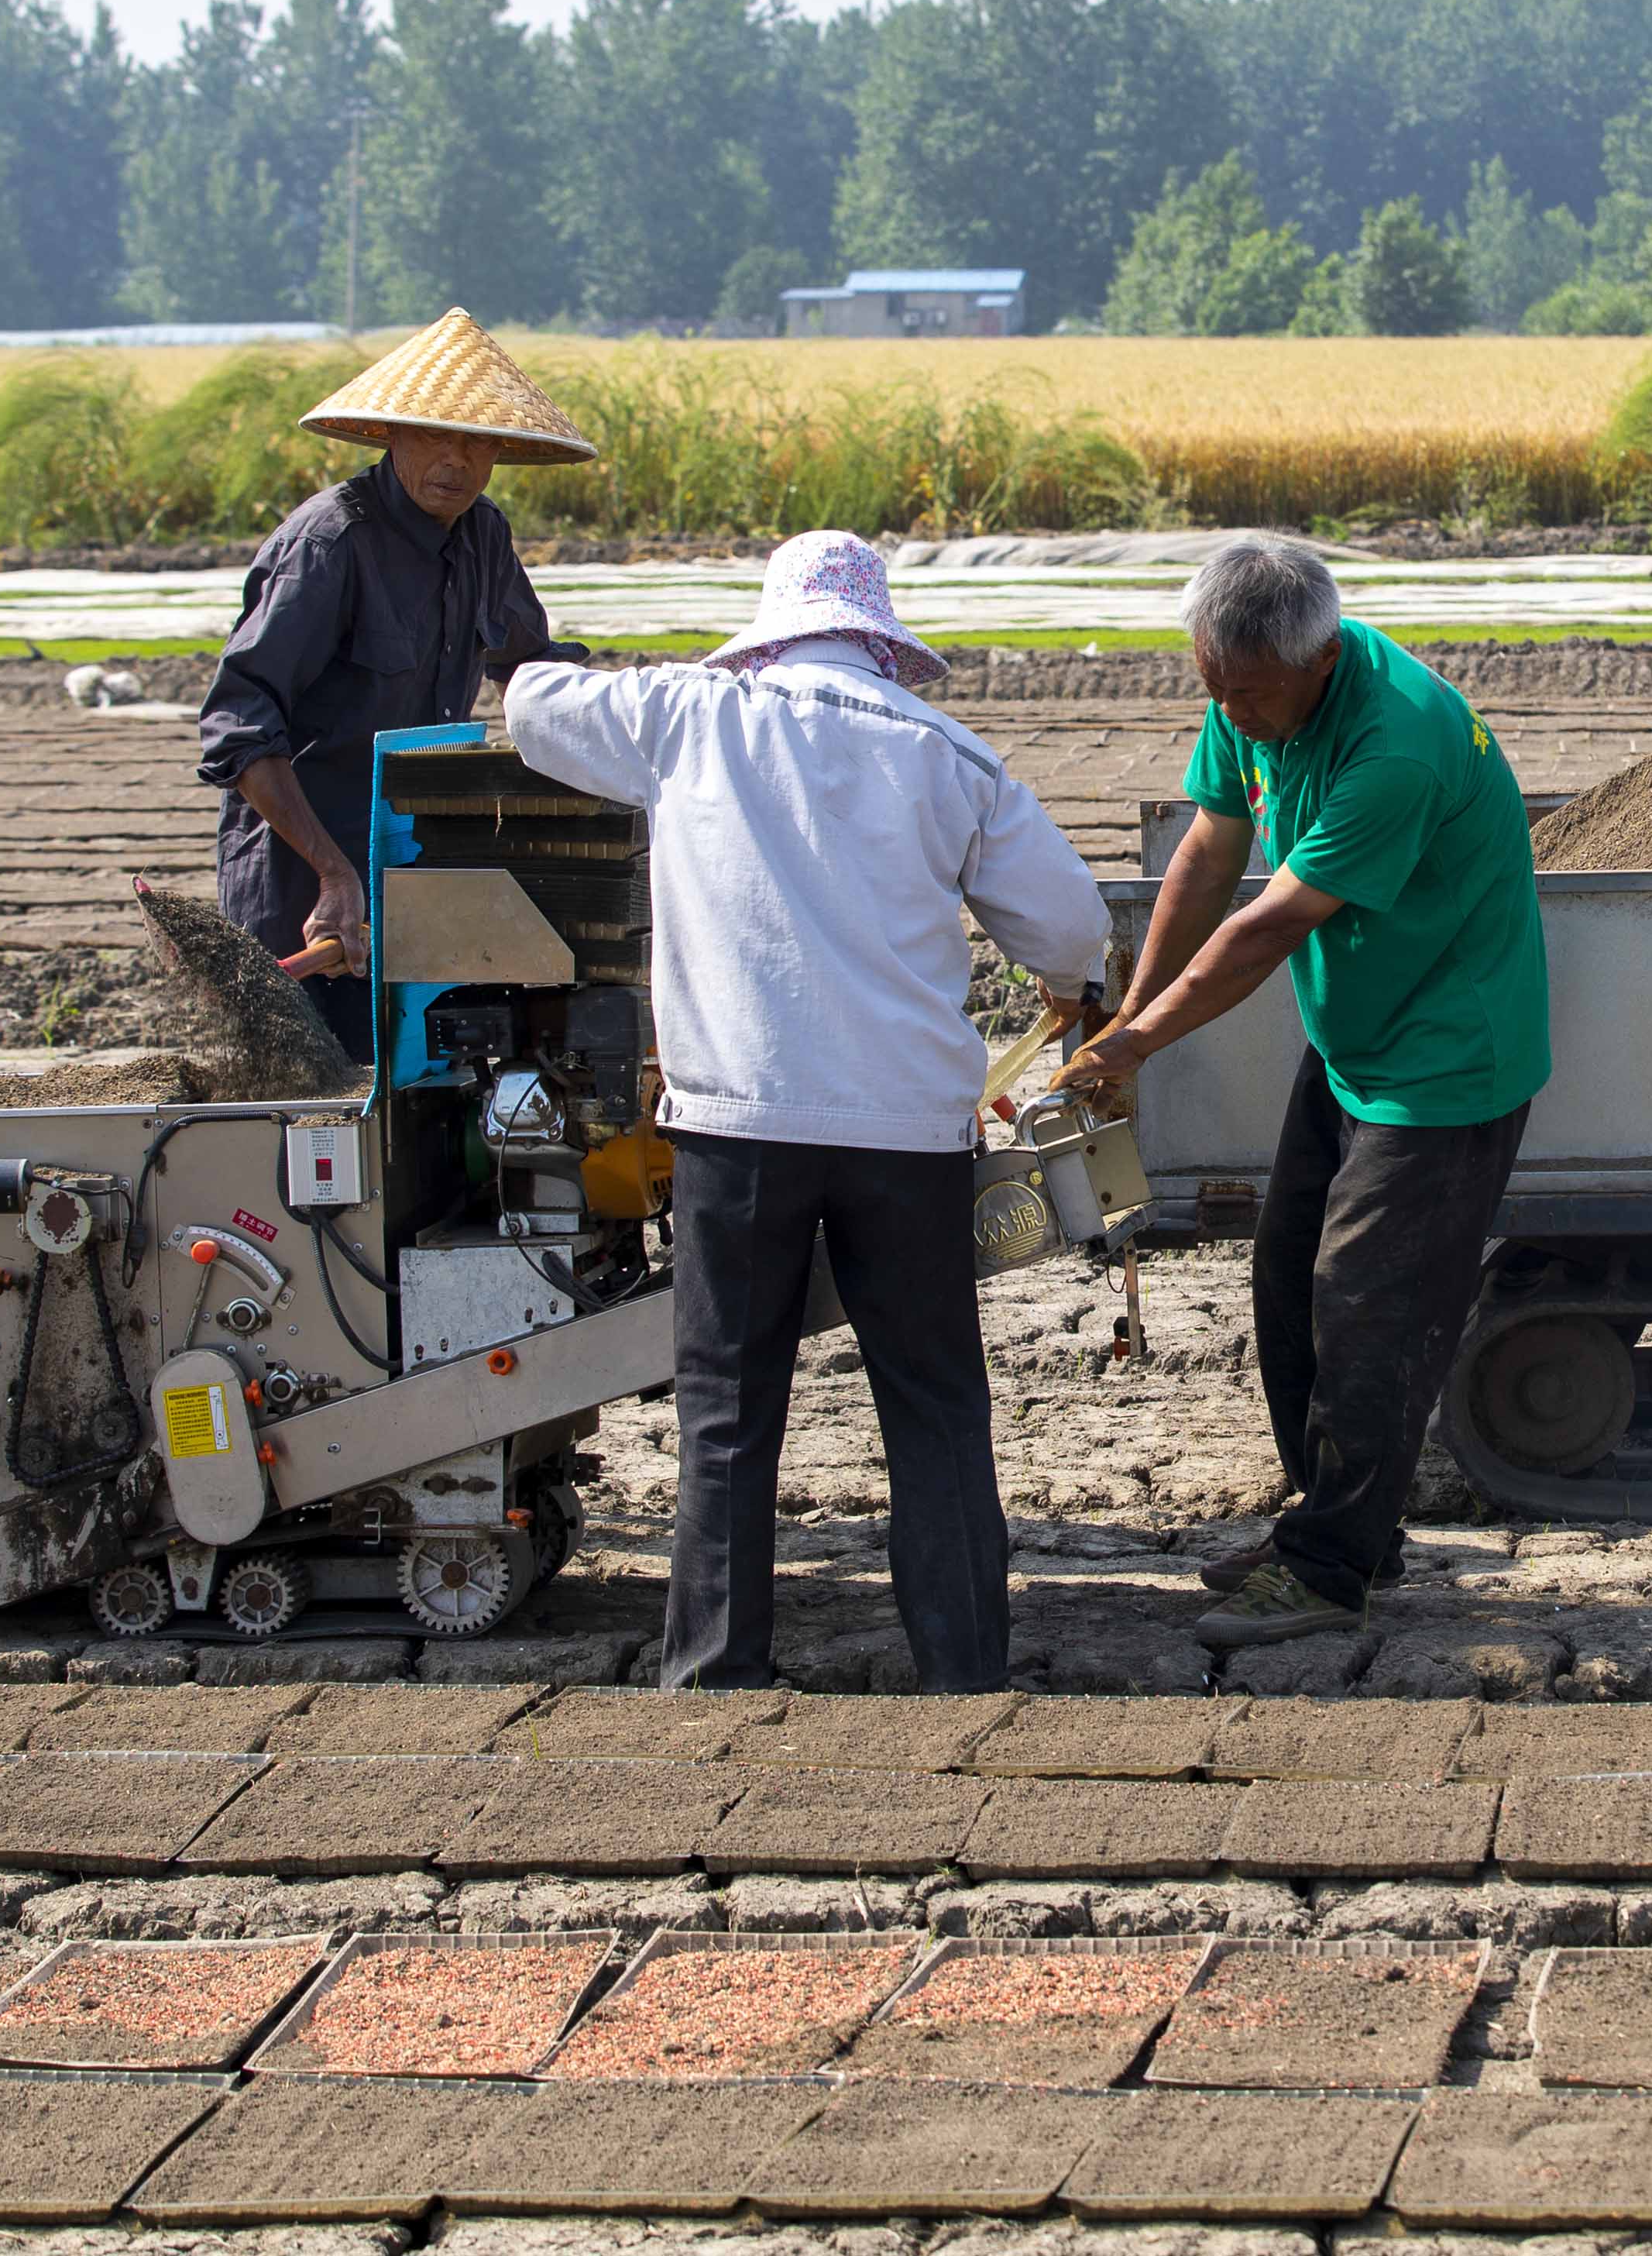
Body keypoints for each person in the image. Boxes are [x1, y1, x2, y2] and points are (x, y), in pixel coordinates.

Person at [506, 531, 1111, 1695]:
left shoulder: (692, 715)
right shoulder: (950, 756)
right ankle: (961, 1665)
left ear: (769, 634)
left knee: (730, 1409)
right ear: (884, 645)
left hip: (737, 1124)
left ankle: (718, 1667)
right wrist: (1066, 985)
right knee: (933, 1405)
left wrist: (536, 657)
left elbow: (539, 711)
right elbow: (1068, 924)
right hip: (906, 1137)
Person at [1061, 539, 1550, 1652]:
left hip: (1443, 1061)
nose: (1228, 710)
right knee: (1286, 1279)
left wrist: (1133, 1047)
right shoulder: (1247, 681)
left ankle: (1332, 1571)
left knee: (1366, 1305)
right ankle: (1334, 1525)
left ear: (1320, 657)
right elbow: (1207, 851)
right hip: (1351, 1045)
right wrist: (1128, 1018)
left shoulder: (1399, 743)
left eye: (1246, 694)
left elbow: (1267, 927)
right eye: (1212, 688)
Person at [195, 309, 589, 1052]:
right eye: (438, 435)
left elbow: (533, 668)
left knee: (414, 1096)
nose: (458, 461)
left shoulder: (482, 535)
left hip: (409, 869)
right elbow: (240, 724)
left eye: (478, 441)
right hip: (305, 882)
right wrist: (333, 874)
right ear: (390, 434)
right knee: (314, 1114)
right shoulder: (331, 546)